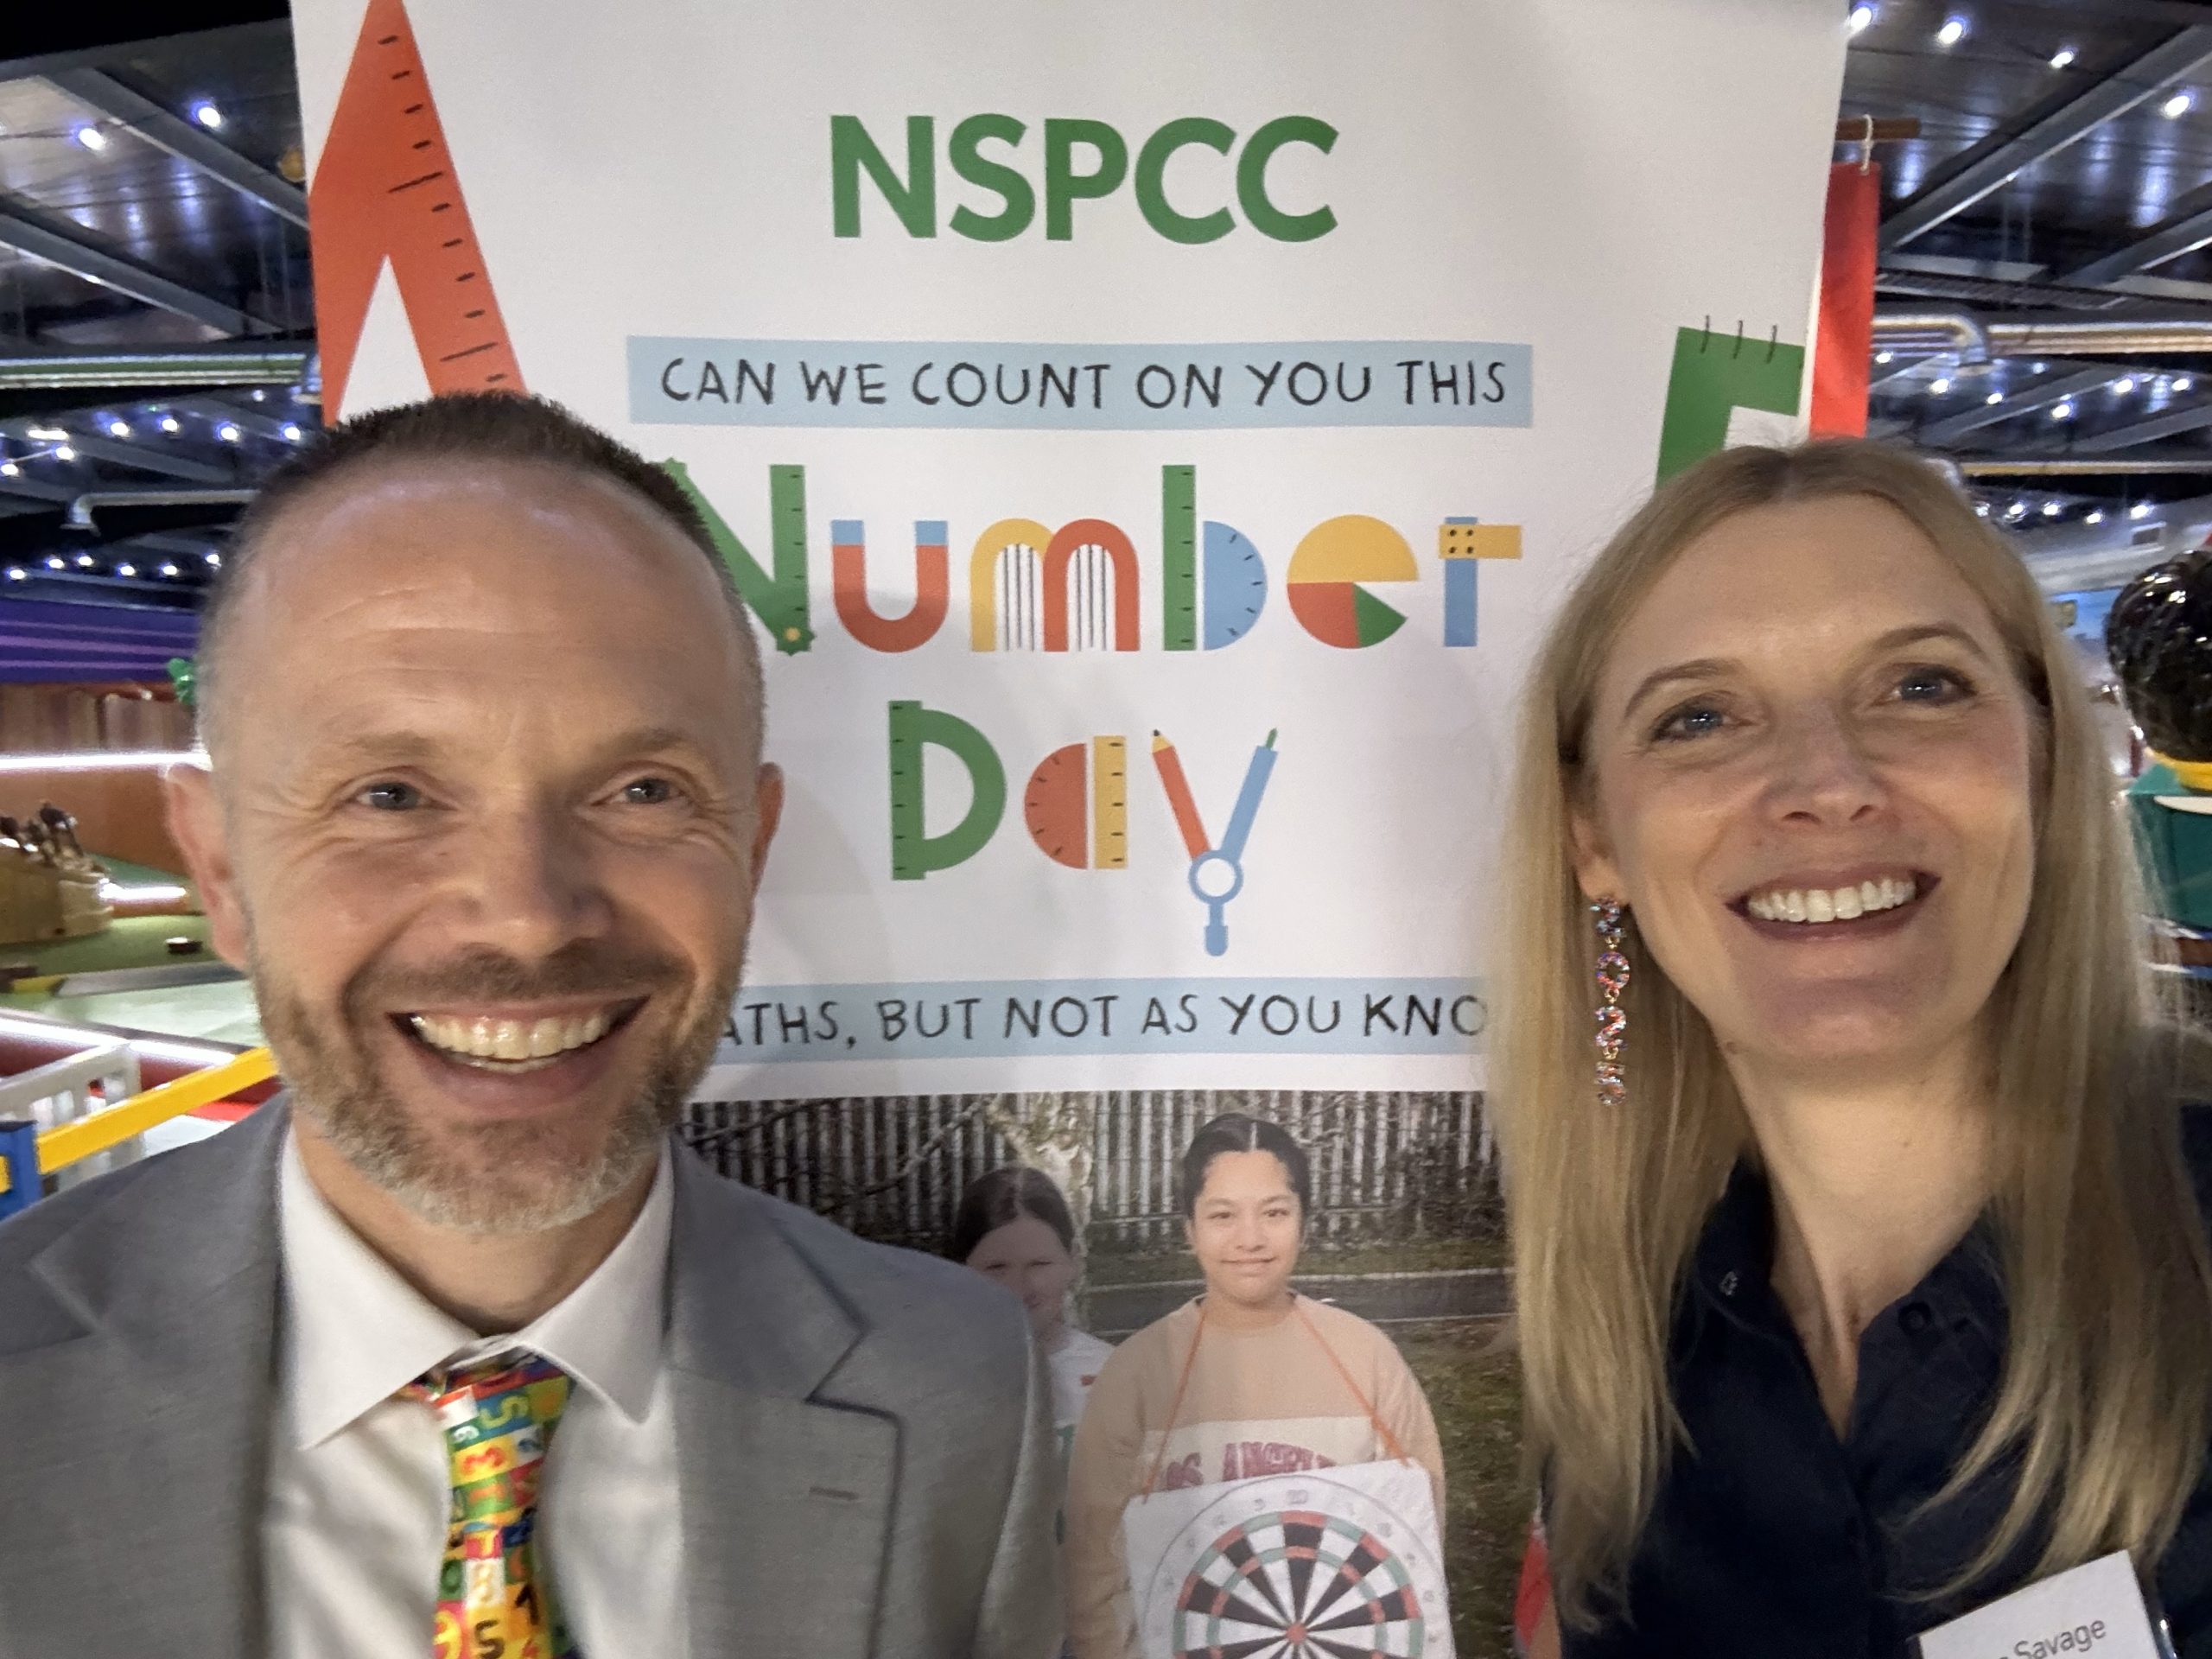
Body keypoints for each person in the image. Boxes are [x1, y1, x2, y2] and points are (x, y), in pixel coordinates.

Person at [0, 393, 1060, 1659]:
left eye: (643, 791)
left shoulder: (954, 1384)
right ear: (219, 869)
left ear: (750, 850)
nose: (528, 917)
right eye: (391, 795)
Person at [1492, 438, 2212, 1656]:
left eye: (1919, 687)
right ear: (1593, 838)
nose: (1826, 782)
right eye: (1699, 718)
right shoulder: (1626, 1373)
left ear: (2042, 765)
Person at [1062, 1112, 1446, 1659]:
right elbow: (1095, 1570)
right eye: (1223, 1215)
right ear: (1190, 1228)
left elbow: (1417, 1540)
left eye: (1275, 1213)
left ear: (1304, 1221)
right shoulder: (1137, 1372)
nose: (1251, 1239)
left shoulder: (1368, 1359)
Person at [953, 1165, 1116, 1462]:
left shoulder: (1113, 1374)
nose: (1019, 1287)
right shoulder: (940, 1379)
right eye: (996, 1268)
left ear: (1073, 1262)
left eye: (1039, 1264)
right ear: (961, 1269)